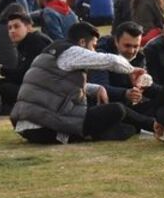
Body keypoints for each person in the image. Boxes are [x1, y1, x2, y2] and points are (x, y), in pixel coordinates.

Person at [10, 22, 153, 144]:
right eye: (93, 45)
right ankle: (152, 125)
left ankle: (109, 130)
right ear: (82, 43)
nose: (94, 51)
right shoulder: (72, 52)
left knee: (121, 123)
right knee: (117, 109)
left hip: (26, 126)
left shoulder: (50, 53)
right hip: (47, 127)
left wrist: (96, 88)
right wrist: (132, 69)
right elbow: (111, 61)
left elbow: (58, 86)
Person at [88, 21, 159, 113]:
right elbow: (99, 86)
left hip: (128, 107)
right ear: (116, 41)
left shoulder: (139, 57)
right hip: (107, 108)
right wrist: (125, 93)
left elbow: (145, 86)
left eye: (136, 46)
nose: (131, 51)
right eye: (127, 45)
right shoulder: (101, 56)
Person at [0, 11, 53, 111]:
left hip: (45, 92)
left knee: (1, 87)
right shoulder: (28, 41)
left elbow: (23, 75)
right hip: (39, 88)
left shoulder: (34, 42)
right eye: (9, 28)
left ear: (28, 27)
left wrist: (0, 70)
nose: (12, 31)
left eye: (16, 26)